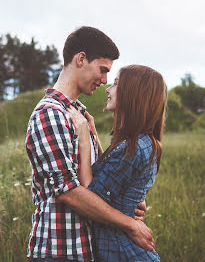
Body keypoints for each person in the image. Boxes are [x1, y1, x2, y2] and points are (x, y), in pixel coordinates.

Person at [25, 26, 154, 262]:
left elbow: (100, 180)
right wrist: (129, 224)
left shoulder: (81, 116)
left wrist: (127, 201)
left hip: (86, 250)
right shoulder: (50, 114)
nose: (104, 81)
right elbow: (69, 193)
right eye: (102, 70)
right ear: (81, 59)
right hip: (60, 251)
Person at [67, 65, 166, 261]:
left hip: (124, 252)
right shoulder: (140, 143)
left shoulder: (135, 147)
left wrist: (85, 140)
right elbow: (113, 173)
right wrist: (94, 133)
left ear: (132, 94)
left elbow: (91, 195)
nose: (107, 88)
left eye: (116, 83)